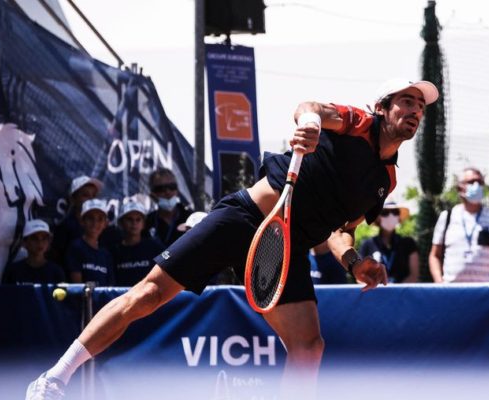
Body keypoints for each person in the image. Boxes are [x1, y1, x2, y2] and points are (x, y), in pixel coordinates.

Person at [26, 78, 440, 400]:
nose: (415, 110)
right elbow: (310, 108)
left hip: (286, 248)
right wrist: (311, 125)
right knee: (148, 295)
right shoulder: (358, 124)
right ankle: (53, 380)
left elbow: (341, 231)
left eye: (421, 106)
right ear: (383, 107)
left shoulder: (386, 180)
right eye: (407, 101)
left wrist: (354, 262)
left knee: (309, 346)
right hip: (245, 218)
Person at [428, 168, 489, 282]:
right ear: (459, 188)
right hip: (451, 292)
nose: (476, 185)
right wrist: (440, 283)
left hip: (485, 292)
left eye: (480, 182)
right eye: (471, 182)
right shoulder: (447, 217)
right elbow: (435, 255)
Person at [359, 199, 419, 283]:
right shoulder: (367, 245)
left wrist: (397, 293)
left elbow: (414, 276)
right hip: (374, 294)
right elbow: (360, 275)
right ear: (378, 217)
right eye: (385, 212)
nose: (391, 216)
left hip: (402, 294)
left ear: (398, 217)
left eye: (395, 212)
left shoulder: (409, 243)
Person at [48, 175, 102, 264]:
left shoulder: (101, 227)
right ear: (73, 199)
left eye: (93, 196)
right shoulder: (64, 228)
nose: (91, 200)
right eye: (86, 195)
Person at [111, 202, 165, 287]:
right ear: (121, 223)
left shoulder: (155, 248)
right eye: (129, 219)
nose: (134, 223)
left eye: (138, 219)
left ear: (143, 224)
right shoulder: (113, 251)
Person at [65, 199, 114, 285]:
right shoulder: (76, 248)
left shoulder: (106, 254)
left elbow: (110, 286)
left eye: (100, 219)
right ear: (82, 221)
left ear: (105, 224)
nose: (95, 223)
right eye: (91, 218)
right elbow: (77, 286)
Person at [2, 220, 65, 284]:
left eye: (44, 238)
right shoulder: (13, 271)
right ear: (24, 242)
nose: (40, 243)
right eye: (34, 238)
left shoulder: (56, 271)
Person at [144, 168, 193, 246]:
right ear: (152, 195)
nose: (167, 192)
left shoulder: (191, 218)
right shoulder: (145, 223)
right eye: (161, 189)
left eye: (172, 187)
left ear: (177, 190)